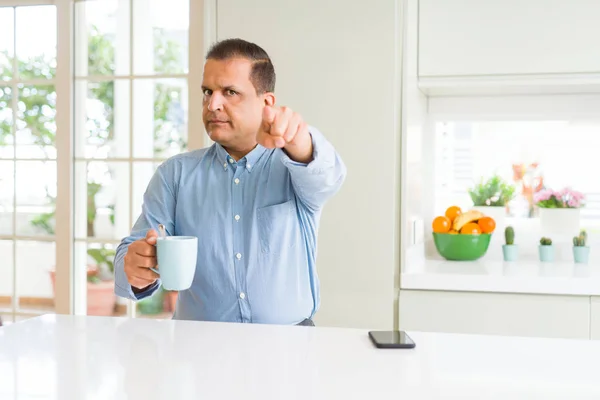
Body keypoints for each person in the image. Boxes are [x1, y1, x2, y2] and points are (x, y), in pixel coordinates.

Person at [114, 38, 346, 326]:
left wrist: (299, 140)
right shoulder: (175, 174)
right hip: (198, 349)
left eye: (230, 92)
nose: (213, 104)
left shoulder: (295, 167)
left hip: (290, 348)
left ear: (267, 103)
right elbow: (131, 252)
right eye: (207, 91)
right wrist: (135, 268)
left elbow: (327, 177)